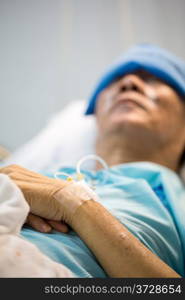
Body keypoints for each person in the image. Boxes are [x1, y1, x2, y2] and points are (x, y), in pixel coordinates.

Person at [0, 44, 185, 278]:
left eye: (153, 79)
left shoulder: (177, 205)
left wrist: (73, 204)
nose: (129, 82)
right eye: (114, 81)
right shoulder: (31, 175)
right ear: (97, 116)